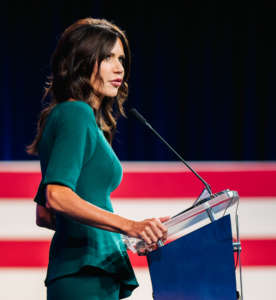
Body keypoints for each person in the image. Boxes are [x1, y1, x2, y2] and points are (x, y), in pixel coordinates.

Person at [27, 18, 168, 299]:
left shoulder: (72, 116)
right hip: (85, 275)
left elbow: (44, 215)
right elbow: (55, 197)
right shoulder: (75, 113)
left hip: (90, 270)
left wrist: (120, 237)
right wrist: (129, 225)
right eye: (107, 58)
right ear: (81, 61)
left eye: (121, 59)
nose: (120, 68)